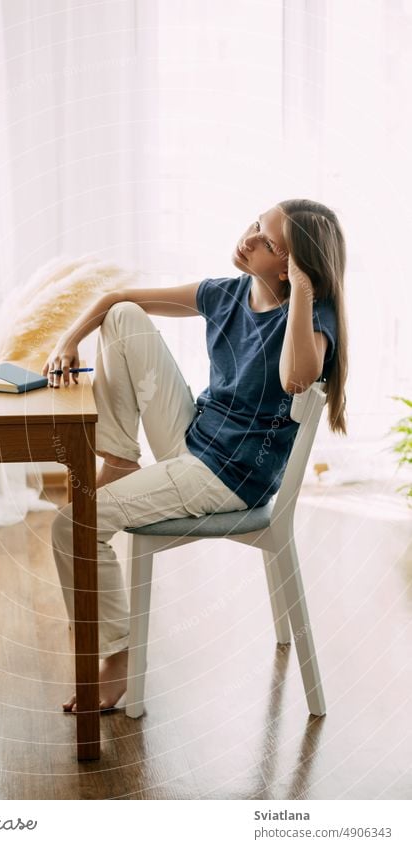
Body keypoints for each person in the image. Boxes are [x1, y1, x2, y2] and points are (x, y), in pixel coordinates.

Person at [42, 198, 348, 712]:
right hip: (193, 437)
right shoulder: (225, 294)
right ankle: (119, 457)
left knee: (72, 526)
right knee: (122, 316)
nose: (248, 240)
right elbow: (119, 297)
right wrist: (69, 340)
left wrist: (302, 291)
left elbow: (296, 378)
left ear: (293, 266)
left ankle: (116, 661)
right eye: (255, 225)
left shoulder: (312, 319)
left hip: (228, 478)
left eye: (268, 243)